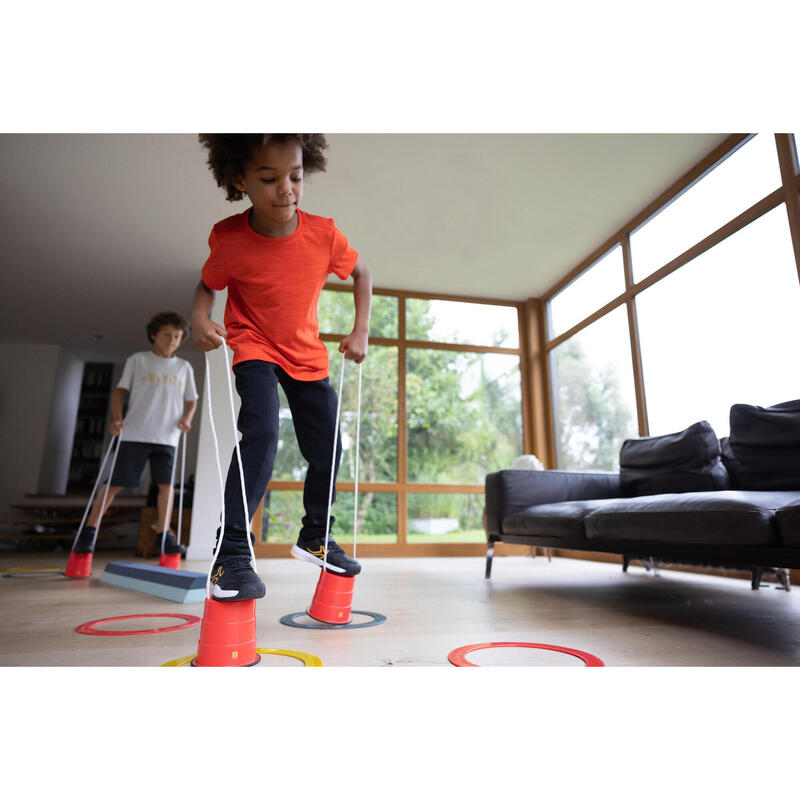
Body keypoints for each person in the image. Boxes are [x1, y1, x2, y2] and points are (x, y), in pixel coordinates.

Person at [191, 134, 372, 602]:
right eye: (269, 179)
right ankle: (230, 551)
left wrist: (360, 330)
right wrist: (199, 317)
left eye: (295, 176)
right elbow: (208, 285)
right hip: (254, 345)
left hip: (307, 354)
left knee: (328, 446)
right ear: (240, 180)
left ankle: (315, 534)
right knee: (263, 435)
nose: (286, 189)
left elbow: (361, 273)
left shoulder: (324, 234)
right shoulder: (229, 239)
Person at [72, 312, 199, 555]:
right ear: (153, 335)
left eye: (177, 337)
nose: (172, 340)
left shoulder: (184, 367)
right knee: (115, 484)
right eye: (167, 335)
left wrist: (187, 419)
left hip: (167, 437)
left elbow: (191, 400)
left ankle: (163, 535)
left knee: (166, 487)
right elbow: (120, 392)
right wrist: (117, 419)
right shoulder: (138, 360)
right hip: (134, 434)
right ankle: (89, 533)